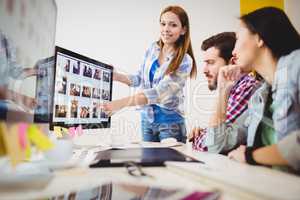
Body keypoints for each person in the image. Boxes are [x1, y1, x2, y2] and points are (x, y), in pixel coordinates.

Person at [100, 5, 197, 143]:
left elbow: (159, 93)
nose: (166, 29)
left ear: (183, 30)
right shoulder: (153, 48)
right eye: (163, 24)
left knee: (168, 163)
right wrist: (116, 76)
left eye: (173, 25)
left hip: (170, 124)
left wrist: (121, 103)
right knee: (149, 162)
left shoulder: (185, 61)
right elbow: (139, 78)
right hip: (147, 120)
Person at [222, 7, 300, 172]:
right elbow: (218, 144)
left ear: (259, 38)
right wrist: (223, 91)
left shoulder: (296, 65)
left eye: (237, 38)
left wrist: (252, 155)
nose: (233, 51)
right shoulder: (259, 97)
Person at [188, 32, 260, 153]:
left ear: (232, 63)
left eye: (211, 63)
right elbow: (216, 134)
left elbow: (209, 145)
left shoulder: (246, 86)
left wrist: (202, 136)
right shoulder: (234, 88)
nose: (204, 70)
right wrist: (204, 132)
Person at [0, 31, 38, 118]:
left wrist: (33, 71)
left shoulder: (5, 39)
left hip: (3, 104)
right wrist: (21, 99)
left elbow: (15, 71)